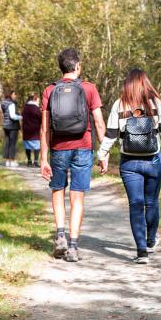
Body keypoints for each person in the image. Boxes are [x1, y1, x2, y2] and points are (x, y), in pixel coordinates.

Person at [97, 68, 161, 264]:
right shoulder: (155, 103)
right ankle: (151, 241)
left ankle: (141, 251)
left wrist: (102, 155)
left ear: (127, 83)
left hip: (129, 163)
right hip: (153, 161)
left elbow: (110, 134)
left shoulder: (120, 104)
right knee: (151, 202)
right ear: (145, 83)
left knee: (136, 204)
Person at [40, 48, 105, 263]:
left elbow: (45, 128)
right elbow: (98, 122)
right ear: (77, 66)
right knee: (77, 195)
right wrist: (103, 152)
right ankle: (74, 246)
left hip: (59, 148)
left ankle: (60, 236)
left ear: (61, 67)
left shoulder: (50, 90)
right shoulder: (89, 89)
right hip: (83, 148)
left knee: (58, 190)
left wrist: (43, 158)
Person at [1, 89, 22, 167]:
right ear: (10, 95)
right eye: (14, 94)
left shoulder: (3, 103)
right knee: (13, 144)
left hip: (5, 125)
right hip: (12, 126)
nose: (15, 96)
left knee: (7, 143)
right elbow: (12, 116)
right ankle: (12, 161)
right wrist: (21, 117)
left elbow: (5, 114)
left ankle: (7, 161)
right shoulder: (11, 104)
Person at [21, 94, 42, 167]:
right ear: (35, 99)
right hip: (35, 131)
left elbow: (22, 117)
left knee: (27, 146)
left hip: (26, 129)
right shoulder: (36, 108)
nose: (39, 102)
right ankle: (35, 162)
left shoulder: (25, 107)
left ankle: (29, 161)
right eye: (38, 100)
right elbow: (41, 118)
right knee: (37, 146)